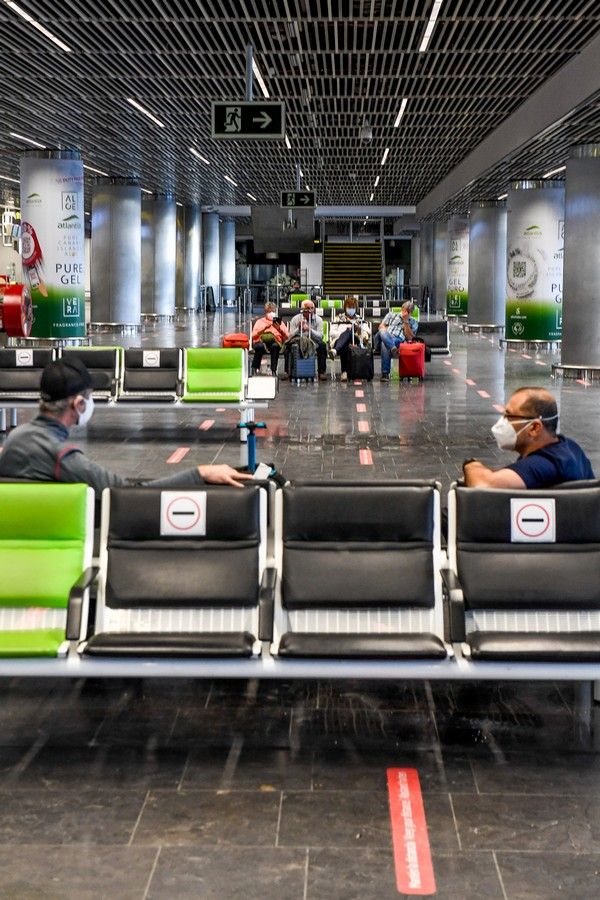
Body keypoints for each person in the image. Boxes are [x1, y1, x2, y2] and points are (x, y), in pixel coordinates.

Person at [0, 358, 253, 496]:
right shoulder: (63, 458)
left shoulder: (15, 439)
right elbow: (129, 495)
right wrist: (200, 473)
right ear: (78, 404)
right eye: (88, 396)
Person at [463, 386, 595, 488]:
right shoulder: (571, 448)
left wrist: (471, 464)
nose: (502, 422)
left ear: (534, 428)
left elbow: (483, 485)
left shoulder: (542, 464)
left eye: (509, 416)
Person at [281, 298, 328, 382]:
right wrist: (298, 329)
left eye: (312, 308)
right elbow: (290, 336)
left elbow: (320, 336)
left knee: (322, 345)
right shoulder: (295, 319)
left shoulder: (319, 320)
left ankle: (322, 372)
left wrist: (310, 330)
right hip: (298, 341)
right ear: (302, 310)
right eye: (307, 309)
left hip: (313, 341)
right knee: (287, 346)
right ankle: (287, 371)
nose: (310, 311)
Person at [328, 297, 371, 382]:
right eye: (349, 307)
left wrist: (358, 329)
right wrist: (344, 333)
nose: (351, 309)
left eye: (353, 307)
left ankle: (344, 371)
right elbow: (332, 333)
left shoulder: (359, 319)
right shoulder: (338, 318)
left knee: (349, 336)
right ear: (345, 308)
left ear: (356, 308)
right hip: (338, 342)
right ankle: (348, 372)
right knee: (347, 337)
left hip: (356, 343)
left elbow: (368, 331)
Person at [378, 300, 418, 382]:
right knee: (382, 332)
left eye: (409, 312)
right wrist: (386, 333)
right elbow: (381, 326)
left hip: (397, 339)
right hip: (382, 336)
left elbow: (409, 338)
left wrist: (406, 322)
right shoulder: (391, 315)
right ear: (402, 309)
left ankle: (385, 374)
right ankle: (392, 348)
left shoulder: (413, 322)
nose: (406, 313)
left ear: (411, 312)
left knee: (384, 344)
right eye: (405, 310)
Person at [251, 301, 288, 376]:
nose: (270, 313)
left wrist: (279, 329)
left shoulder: (279, 323)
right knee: (260, 347)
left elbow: (287, 336)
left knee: (275, 346)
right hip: (261, 341)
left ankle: (273, 370)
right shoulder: (260, 322)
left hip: (275, 341)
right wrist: (263, 329)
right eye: (268, 311)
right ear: (265, 312)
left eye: (272, 311)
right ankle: (255, 368)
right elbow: (253, 335)